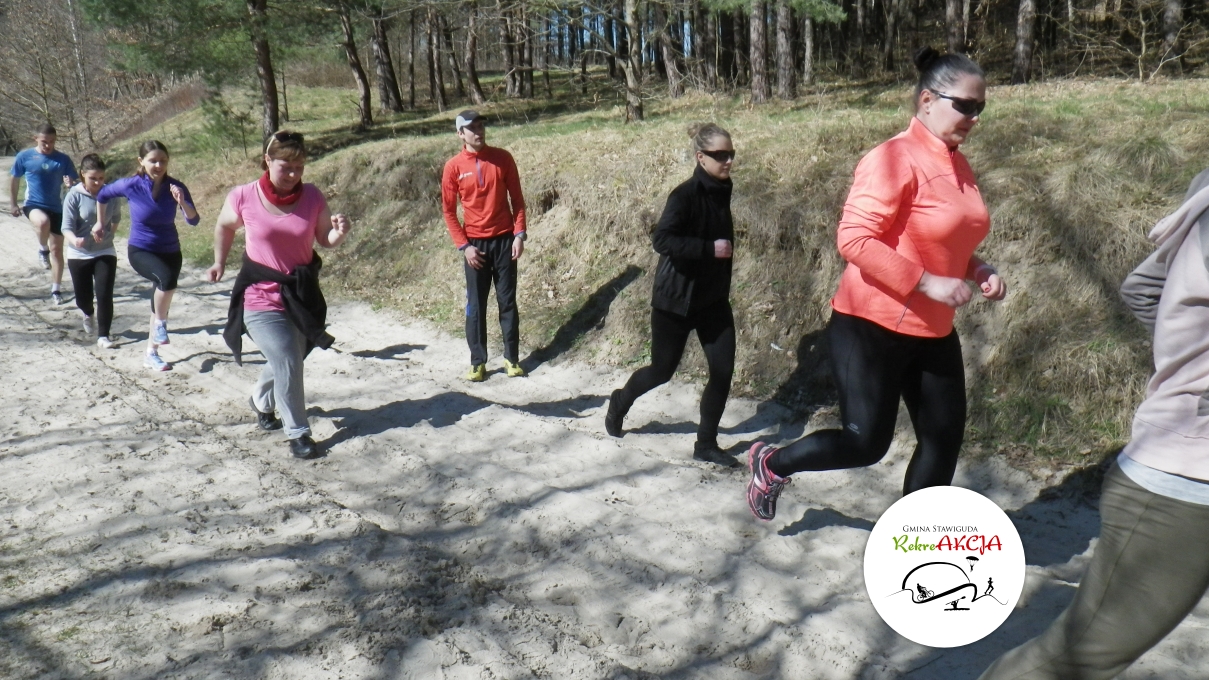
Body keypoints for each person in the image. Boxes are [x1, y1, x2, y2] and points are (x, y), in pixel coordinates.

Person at [745, 47, 1007, 521]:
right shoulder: (892, 158)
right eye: (965, 106)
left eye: (981, 108)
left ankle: (912, 542)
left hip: (933, 331)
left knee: (943, 440)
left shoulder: (958, 165)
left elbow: (945, 241)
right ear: (927, 100)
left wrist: (979, 269)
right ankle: (772, 463)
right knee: (865, 443)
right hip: (871, 325)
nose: (975, 118)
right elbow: (854, 239)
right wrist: (927, 282)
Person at [977, 171, 1209, 679]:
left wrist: (1186, 360)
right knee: (1076, 660)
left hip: (1181, 460)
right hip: (1183, 482)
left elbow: (1144, 287)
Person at [209, 131, 351, 460]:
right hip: (259, 296)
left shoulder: (312, 196)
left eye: (299, 168)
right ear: (267, 161)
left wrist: (339, 233)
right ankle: (298, 432)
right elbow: (225, 226)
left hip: (300, 295)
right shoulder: (244, 196)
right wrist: (219, 261)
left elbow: (324, 239)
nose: (293, 174)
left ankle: (261, 400)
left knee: (290, 359)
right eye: (286, 167)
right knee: (287, 358)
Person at [604, 123, 740, 468]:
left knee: (723, 370)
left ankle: (706, 443)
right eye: (720, 155)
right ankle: (620, 401)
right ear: (700, 157)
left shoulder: (723, 189)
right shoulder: (684, 195)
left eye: (731, 154)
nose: (727, 161)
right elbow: (662, 240)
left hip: (712, 301)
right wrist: (709, 249)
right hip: (676, 301)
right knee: (661, 370)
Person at [95, 140, 199, 371]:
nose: (158, 165)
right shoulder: (131, 185)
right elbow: (102, 195)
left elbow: (193, 220)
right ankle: (161, 325)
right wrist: (100, 223)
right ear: (141, 161)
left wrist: (182, 202)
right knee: (166, 281)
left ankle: (151, 353)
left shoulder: (175, 187)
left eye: (163, 161)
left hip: (170, 251)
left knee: (160, 300)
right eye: (153, 161)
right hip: (141, 250)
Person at [441, 110, 528, 382]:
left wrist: (519, 234)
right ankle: (477, 362)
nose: (478, 131)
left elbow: (517, 200)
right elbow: (448, 212)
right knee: (476, 306)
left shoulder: (503, 158)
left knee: (507, 302)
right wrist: (464, 246)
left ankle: (511, 358)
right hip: (475, 246)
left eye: (480, 126)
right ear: (460, 134)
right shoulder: (453, 167)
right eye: (472, 128)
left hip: (504, 241)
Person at [8, 124, 78, 303]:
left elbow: (76, 182)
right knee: (42, 222)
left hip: (57, 207)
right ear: (36, 139)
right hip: (33, 204)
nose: (48, 145)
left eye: (52, 142)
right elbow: (15, 179)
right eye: (44, 142)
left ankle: (56, 289)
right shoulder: (25, 157)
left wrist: (71, 183)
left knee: (57, 251)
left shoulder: (62, 159)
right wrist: (14, 204)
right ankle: (42, 248)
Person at [62, 154, 121, 349]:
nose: (97, 182)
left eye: (101, 178)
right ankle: (88, 312)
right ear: (82, 175)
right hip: (79, 253)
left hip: (105, 251)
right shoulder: (74, 195)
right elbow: (66, 227)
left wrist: (109, 235)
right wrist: (75, 240)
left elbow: (116, 219)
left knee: (104, 294)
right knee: (83, 298)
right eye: (93, 178)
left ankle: (103, 336)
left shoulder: (110, 194)